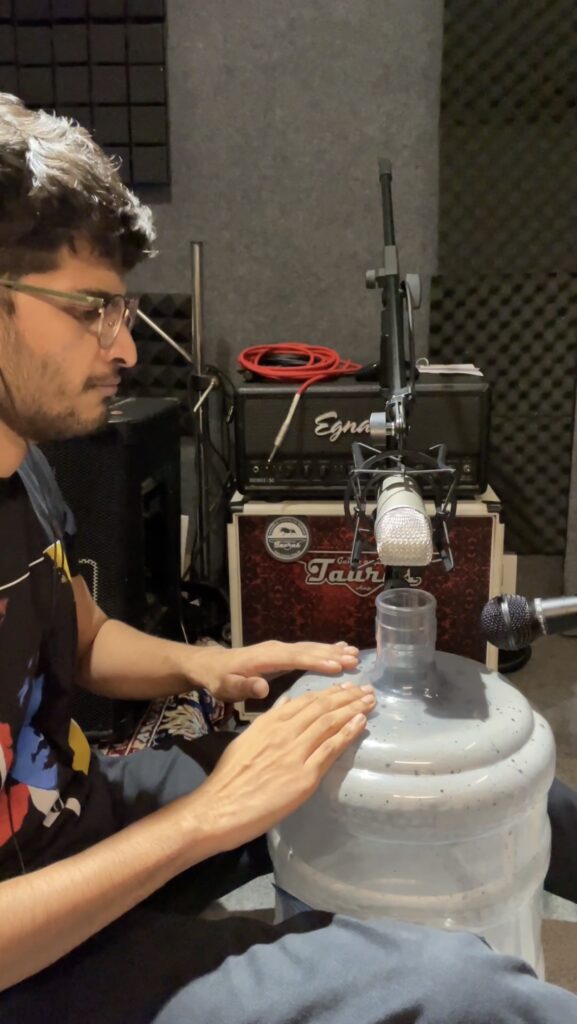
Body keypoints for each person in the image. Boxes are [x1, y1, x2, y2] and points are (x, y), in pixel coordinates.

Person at [0, 92, 576, 1024]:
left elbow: (74, 627)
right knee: (459, 996)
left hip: (78, 814)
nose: (122, 346)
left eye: (124, 308)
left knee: (456, 778)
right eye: (92, 309)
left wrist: (210, 663)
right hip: (25, 961)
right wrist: (205, 823)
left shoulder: (20, 466)